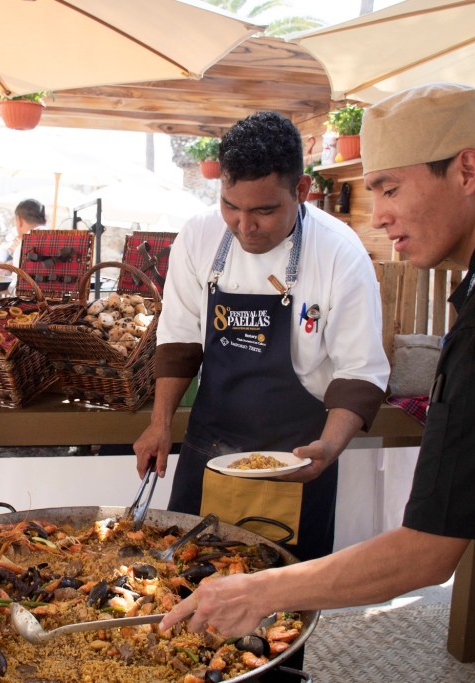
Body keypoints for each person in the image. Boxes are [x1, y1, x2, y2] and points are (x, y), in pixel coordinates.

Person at [159, 84, 475, 682]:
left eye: (391, 188)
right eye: (374, 192)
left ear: (468, 169)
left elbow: (427, 553)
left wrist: (261, 590)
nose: (380, 214)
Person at [133, 110, 389, 564]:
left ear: (302, 190)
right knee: (182, 593)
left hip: (295, 459)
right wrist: (159, 424)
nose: (244, 225)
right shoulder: (199, 236)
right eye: (231, 205)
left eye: (264, 210)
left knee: (280, 612)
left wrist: (327, 448)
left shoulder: (339, 252)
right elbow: (179, 339)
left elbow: (360, 371)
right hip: (208, 448)